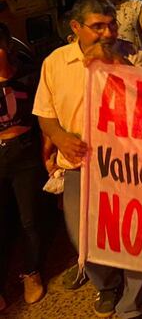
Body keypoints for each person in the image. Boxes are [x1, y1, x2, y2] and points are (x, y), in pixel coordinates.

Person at [33, 0, 142, 318]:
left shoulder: (132, 55)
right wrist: (60, 138)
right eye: (97, 26)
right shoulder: (55, 63)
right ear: (76, 28)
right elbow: (45, 113)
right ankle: (106, 285)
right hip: (79, 165)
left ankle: (133, 303)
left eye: (111, 24)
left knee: (134, 233)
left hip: (128, 165)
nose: (107, 32)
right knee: (82, 234)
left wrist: (114, 62)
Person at [0, 23, 45, 309]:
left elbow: (42, 115)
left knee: (30, 220)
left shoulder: (28, 74)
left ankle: (32, 272)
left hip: (25, 154)